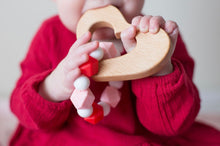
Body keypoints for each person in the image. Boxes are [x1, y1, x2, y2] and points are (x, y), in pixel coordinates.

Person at [10, 0, 220, 145]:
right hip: (71, 137)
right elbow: (24, 111)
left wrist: (158, 66)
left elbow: (171, 124)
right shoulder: (50, 35)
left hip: (142, 137)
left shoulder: (158, 37)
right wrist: (54, 86)